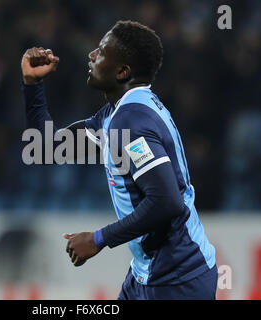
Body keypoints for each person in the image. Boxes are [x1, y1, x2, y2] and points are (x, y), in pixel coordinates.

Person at [21, 20, 217, 300]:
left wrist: (98, 239)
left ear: (122, 71)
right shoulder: (116, 114)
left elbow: (166, 201)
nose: (91, 55)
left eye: (101, 51)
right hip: (147, 274)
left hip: (177, 279)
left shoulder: (132, 120)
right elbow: (45, 147)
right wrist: (32, 84)